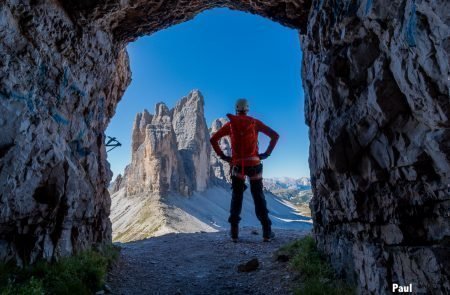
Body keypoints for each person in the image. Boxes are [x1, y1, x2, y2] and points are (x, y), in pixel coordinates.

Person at [210, 98, 279, 242]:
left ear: (236, 109)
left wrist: (223, 156)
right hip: (254, 163)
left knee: (237, 197)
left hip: (237, 165)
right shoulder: (255, 122)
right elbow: (275, 136)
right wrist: (266, 153)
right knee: (258, 195)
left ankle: (234, 232)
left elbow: (213, 139)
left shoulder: (230, 124)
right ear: (247, 109)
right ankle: (266, 231)